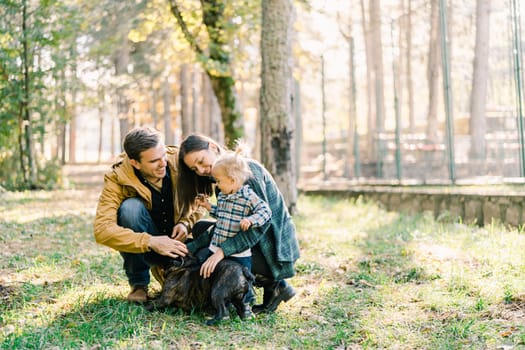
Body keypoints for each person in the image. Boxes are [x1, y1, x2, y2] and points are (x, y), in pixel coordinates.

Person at [177, 133, 300, 314]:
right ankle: (275, 288)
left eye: (201, 161)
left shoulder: (245, 172)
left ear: (212, 146)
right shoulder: (223, 179)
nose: (201, 170)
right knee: (200, 229)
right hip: (257, 241)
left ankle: (271, 282)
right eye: (195, 169)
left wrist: (222, 252)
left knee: (214, 256)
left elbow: (260, 227)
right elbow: (226, 224)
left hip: (274, 248)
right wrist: (190, 246)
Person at [94, 126, 202, 303]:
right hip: (148, 241)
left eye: (163, 156)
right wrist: (150, 241)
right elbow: (102, 230)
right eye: (154, 161)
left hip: (180, 239)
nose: (163, 163)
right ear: (135, 163)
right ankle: (139, 284)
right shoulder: (117, 178)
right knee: (130, 209)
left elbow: (201, 197)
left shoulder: (178, 160)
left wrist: (186, 222)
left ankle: (171, 270)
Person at [193, 148, 273, 304]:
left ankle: (246, 302)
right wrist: (208, 206)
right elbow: (222, 215)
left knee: (243, 276)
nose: (216, 184)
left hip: (239, 252)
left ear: (232, 179)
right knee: (212, 271)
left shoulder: (248, 196)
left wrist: (251, 220)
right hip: (218, 244)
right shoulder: (224, 195)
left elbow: (265, 212)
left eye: (218, 181)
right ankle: (216, 298)